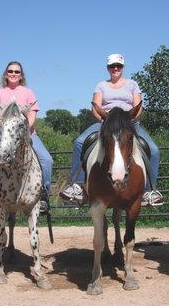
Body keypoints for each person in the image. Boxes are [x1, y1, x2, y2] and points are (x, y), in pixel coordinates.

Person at [60, 54, 163, 206]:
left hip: (128, 123)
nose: (115, 68)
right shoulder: (101, 85)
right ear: (108, 68)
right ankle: (77, 184)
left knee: (153, 150)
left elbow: (138, 106)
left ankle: (149, 191)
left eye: (118, 66)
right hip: (107, 122)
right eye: (112, 66)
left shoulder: (132, 84)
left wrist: (130, 119)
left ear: (122, 68)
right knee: (80, 142)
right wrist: (105, 120)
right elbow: (95, 107)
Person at [0, 61, 53, 211]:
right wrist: (8, 129)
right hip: (2, 132)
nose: (13, 74)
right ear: (6, 74)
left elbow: (32, 114)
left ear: (21, 75)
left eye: (17, 72)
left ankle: (43, 195)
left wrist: (23, 130)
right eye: (10, 71)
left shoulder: (28, 92)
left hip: (27, 133)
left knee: (47, 160)